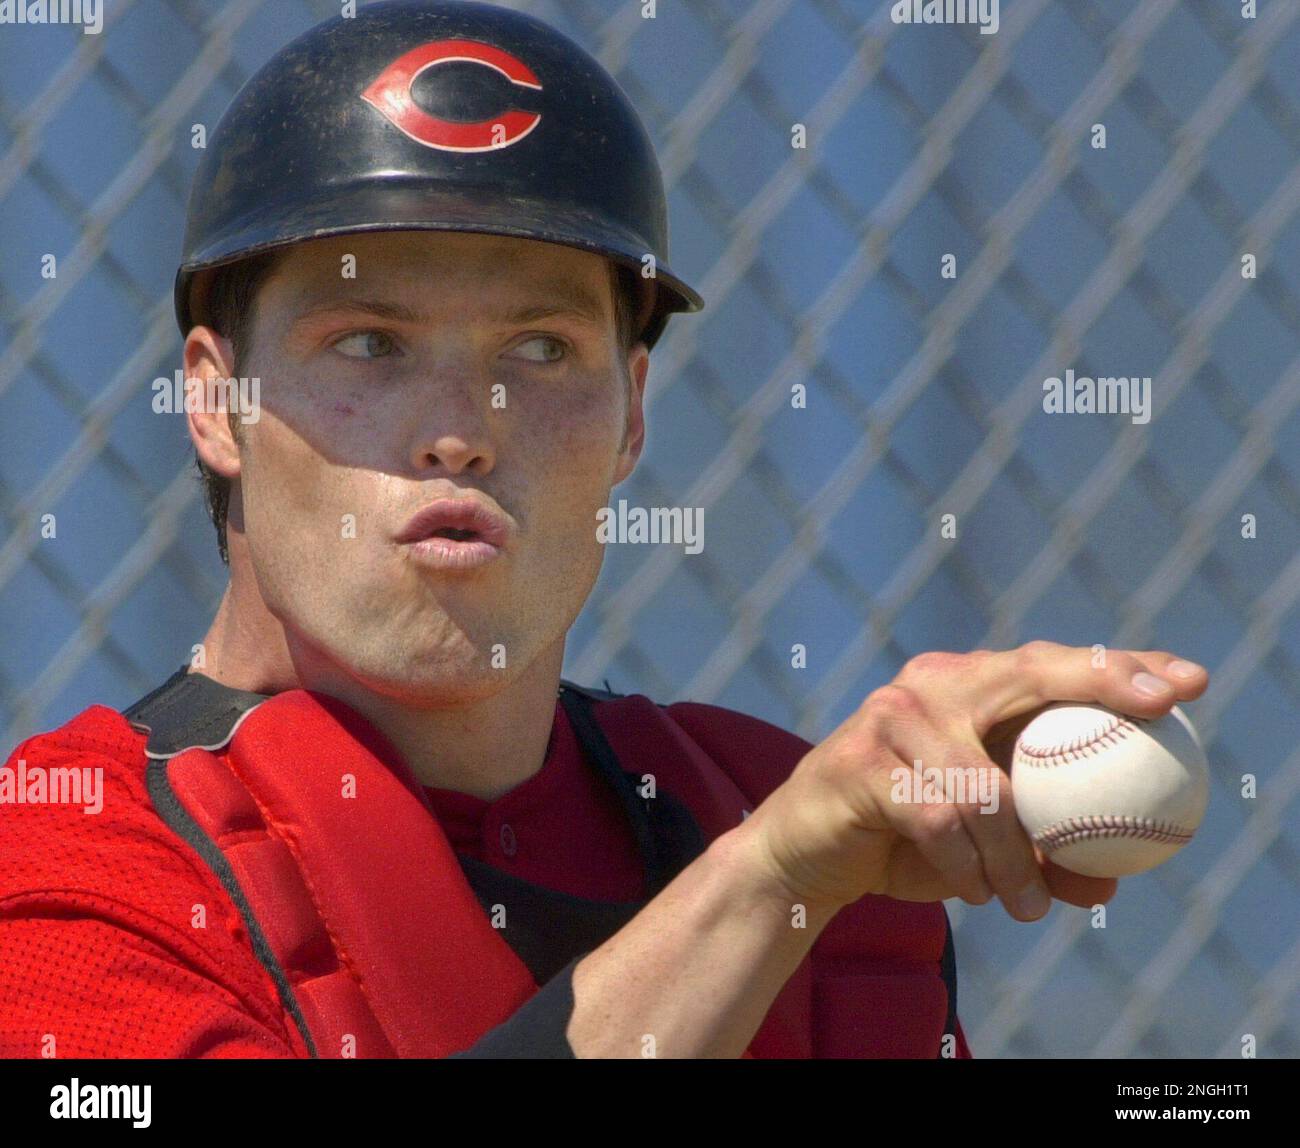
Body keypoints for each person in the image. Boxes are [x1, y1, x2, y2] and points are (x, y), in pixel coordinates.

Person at [0, 0, 1208, 1059]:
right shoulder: (69, 861)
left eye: (540, 349)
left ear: (632, 413)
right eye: (369, 342)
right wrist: (770, 879)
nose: (462, 432)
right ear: (216, 400)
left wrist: (793, 862)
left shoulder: (780, 820)